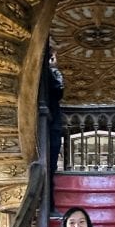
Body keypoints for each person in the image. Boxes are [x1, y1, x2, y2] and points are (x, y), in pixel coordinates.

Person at [47, 45, 64, 215]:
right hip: (50, 125)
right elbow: (58, 91)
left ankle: (49, 206)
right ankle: (49, 206)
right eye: (54, 56)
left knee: (49, 168)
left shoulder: (50, 74)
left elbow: (58, 93)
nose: (56, 60)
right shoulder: (49, 73)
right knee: (48, 167)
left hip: (52, 124)